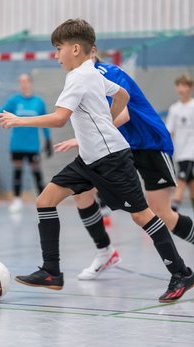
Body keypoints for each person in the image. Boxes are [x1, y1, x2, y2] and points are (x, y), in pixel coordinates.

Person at [0, 19, 194, 303]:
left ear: (75, 49)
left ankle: (182, 273)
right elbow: (122, 95)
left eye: (58, 48)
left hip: (112, 159)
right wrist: (106, 121)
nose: (55, 55)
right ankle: (52, 271)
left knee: (143, 215)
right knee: (46, 199)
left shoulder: (77, 77)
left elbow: (60, 117)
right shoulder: (92, 72)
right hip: (90, 159)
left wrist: (19, 120)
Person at [54, 57, 194, 281]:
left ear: (89, 50)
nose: (61, 54)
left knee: (161, 214)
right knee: (82, 194)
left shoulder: (108, 72)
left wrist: (81, 138)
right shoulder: (80, 77)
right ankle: (105, 252)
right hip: (120, 146)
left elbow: (123, 114)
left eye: (63, 48)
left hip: (149, 145)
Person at [0, 73, 53, 212]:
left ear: (31, 83)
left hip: (33, 144)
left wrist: (48, 140)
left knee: (36, 172)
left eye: (26, 81)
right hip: (17, 144)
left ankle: (44, 200)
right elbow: (3, 110)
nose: (24, 84)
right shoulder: (15, 100)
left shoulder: (38, 102)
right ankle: (17, 200)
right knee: (17, 171)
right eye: (21, 82)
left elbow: (45, 122)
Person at [166, 75, 194, 212]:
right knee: (191, 183)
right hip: (180, 153)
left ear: (190, 88)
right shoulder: (174, 109)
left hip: (191, 152)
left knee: (181, 180)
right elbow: (169, 131)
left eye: (184, 85)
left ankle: (171, 214)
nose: (181, 89)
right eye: (179, 85)